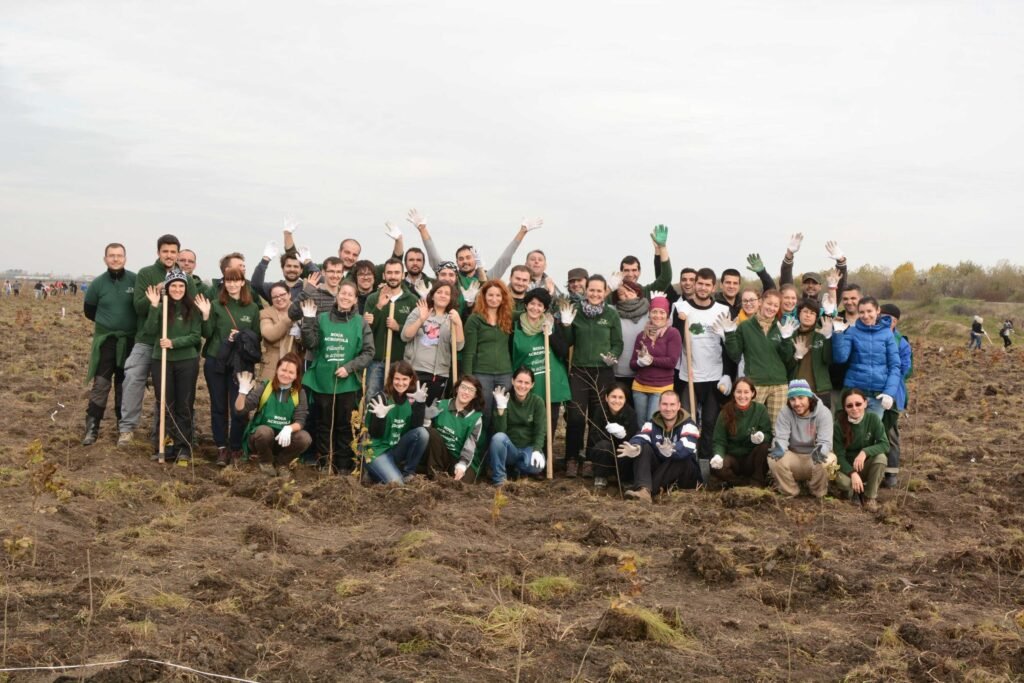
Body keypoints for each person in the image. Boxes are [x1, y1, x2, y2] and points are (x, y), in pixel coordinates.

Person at [120, 234, 195, 447]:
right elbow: (139, 307)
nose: (169, 255)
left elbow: (192, 306)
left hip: (173, 342)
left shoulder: (185, 277)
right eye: (165, 251)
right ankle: (127, 428)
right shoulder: (146, 274)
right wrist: (160, 290)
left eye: (173, 252)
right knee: (133, 377)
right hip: (148, 339)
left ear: (178, 254)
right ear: (158, 252)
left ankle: (164, 434)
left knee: (171, 390)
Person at [300, 280, 374, 473]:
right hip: (323, 381)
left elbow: (368, 352)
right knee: (324, 424)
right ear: (337, 295)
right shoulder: (322, 318)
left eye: (350, 294)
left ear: (355, 299)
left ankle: (343, 465)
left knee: (344, 425)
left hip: (347, 383)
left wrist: (349, 367)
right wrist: (307, 322)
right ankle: (325, 463)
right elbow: (311, 345)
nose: (346, 297)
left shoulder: (361, 323)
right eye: (343, 293)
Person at [196, 267, 262, 466]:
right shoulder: (216, 305)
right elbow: (207, 334)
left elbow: (256, 337)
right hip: (217, 360)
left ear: (243, 282)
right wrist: (206, 315)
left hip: (241, 364)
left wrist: (242, 337)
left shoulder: (252, 308)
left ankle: (236, 446)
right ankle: (221, 448)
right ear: (224, 282)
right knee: (218, 406)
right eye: (228, 280)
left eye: (236, 280)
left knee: (239, 407)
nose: (232, 284)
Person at [561, 275, 623, 478]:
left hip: (603, 372)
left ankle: (590, 458)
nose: (595, 294)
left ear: (605, 292)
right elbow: (568, 342)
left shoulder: (611, 315)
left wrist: (612, 356)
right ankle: (572, 458)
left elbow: (618, 343)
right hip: (579, 370)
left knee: (597, 418)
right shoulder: (576, 311)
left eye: (599, 290)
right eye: (591, 290)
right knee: (576, 416)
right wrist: (567, 326)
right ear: (585, 291)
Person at [141, 271, 202, 464]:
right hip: (162, 361)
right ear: (167, 288)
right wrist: (153, 306)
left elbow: (195, 336)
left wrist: (173, 343)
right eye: (173, 286)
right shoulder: (161, 308)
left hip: (186, 361)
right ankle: (165, 445)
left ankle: (183, 446)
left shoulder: (192, 309)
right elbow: (149, 330)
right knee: (166, 404)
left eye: (181, 286)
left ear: (186, 288)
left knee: (184, 405)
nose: (177, 289)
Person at [82, 243, 137, 446]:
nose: (115, 259)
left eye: (119, 255)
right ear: (105, 259)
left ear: (125, 258)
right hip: (106, 343)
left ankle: (123, 428)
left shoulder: (134, 280)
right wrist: (108, 323)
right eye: (111, 256)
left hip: (129, 342)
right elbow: (89, 310)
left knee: (125, 385)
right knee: (101, 384)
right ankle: (92, 428)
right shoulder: (98, 284)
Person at [672, 268, 730, 459]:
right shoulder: (682, 309)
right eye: (700, 283)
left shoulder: (722, 310)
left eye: (707, 285)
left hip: (713, 375)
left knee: (710, 421)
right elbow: (676, 339)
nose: (703, 288)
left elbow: (728, 346)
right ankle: (687, 458)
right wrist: (680, 321)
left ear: (713, 287)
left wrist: (727, 374)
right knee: (687, 423)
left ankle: (706, 460)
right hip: (689, 375)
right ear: (695, 284)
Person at [409, 208, 542, 286]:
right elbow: (434, 257)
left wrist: (522, 231)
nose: (465, 261)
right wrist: (423, 230)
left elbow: (505, 259)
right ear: (457, 262)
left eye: (468, 257)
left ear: (475, 259)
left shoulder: (486, 276)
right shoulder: (451, 277)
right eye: (461, 259)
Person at [720, 289, 796, 424]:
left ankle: (775, 446)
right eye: (769, 303)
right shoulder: (745, 327)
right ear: (760, 302)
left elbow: (787, 358)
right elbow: (735, 354)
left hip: (779, 384)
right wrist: (729, 333)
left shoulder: (782, 327)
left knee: (777, 425)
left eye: (775, 305)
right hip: (755, 383)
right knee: (750, 422)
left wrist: (786, 339)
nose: (771, 308)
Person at [235, 353, 313, 477]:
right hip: (261, 439)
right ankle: (265, 461)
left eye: (291, 372)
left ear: (296, 375)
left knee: (305, 438)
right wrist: (242, 393)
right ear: (277, 370)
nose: (286, 375)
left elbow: (301, 420)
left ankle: (282, 463)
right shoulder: (265, 387)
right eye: (283, 370)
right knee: (264, 432)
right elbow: (241, 410)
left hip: (284, 441)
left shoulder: (299, 393)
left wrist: (288, 428)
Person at [616, 391, 701, 502]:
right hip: (662, 474)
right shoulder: (651, 423)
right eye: (665, 404)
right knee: (644, 448)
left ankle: (649, 490)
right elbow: (642, 436)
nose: (668, 408)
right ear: (659, 405)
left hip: (684, 476)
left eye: (672, 404)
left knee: (682, 459)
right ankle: (644, 490)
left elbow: (687, 445)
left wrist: (672, 450)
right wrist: (635, 447)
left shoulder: (689, 424)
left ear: (679, 405)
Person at [510, 288, 570, 431]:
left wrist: (550, 334)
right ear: (526, 305)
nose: (535, 308)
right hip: (527, 384)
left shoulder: (551, 324)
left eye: (540, 305)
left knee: (550, 423)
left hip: (551, 383)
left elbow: (563, 351)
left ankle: (544, 453)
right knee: (529, 423)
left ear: (544, 308)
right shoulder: (516, 327)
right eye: (532, 303)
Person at [831, 296, 901, 419]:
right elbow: (840, 358)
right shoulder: (852, 332)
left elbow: (894, 365)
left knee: (871, 433)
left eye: (869, 311)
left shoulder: (887, 334)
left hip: (877, 396)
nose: (865, 315)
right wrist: (838, 334)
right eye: (862, 312)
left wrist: (889, 392)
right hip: (854, 393)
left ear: (877, 310)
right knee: (849, 432)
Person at [363, 361, 430, 484]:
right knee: (397, 485)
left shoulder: (411, 399)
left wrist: (420, 404)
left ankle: (408, 473)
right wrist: (380, 417)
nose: (400, 383)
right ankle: (373, 472)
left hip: (394, 448)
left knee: (422, 433)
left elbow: (415, 428)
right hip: (377, 451)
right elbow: (375, 434)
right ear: (391, 379)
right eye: (397, 379)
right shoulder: (381, 399)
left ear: (411, 379)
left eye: (404, 379)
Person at [767, 379, 835, 498]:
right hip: (794, 456)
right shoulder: (785, 412)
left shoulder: (823, 413)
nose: (797, 403)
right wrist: (779, 447)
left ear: (809, 398)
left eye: (801, 398)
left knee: (828, 461)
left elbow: (825, 441)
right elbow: (781, 437)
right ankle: (790, 491)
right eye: (792, 399)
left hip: (814, 457)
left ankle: (817, 492)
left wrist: (820, 451)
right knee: (773, 458)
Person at [363, 258, 418, 400]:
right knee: (372, 397)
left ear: (403, 275)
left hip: (400, 362)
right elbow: (366, 329)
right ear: (384, 275)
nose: (393, 276)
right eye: (389, 273)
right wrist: (379, 307)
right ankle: (370, 422)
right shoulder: (373, 299)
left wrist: (398, 327)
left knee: (396, 399)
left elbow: (415, 331)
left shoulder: (412, 300)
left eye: (396, 272)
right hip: (376, 361)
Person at [401, 282, 465, 404]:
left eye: (447, 293)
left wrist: (458, 323)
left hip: (439, 374)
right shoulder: (420, 311)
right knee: (412, 409)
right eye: (439, 292)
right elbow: (405, 336)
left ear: (451, 298)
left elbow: (458, 346)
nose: (443, 295)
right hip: (415, 370)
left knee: (431, 411)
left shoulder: (452, 318)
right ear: (432, 295)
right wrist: (421, 319)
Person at [462, 279, 515, 418]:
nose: (494, 299)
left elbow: (528, 314)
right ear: (483, 296)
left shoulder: (508, 317)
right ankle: (481, 439)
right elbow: (469, 352)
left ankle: (497, 439)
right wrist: (468, 378)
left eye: (498, 295)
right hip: (482, 373)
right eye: (490, 295)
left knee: (501, 412)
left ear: (503, 297)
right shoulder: (475, 319)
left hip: (505, 374)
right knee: (483, 412)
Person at [833, 388, 890, 512]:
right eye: (849, 405)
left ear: (865, 403)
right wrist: (852, 473)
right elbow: (839, 456)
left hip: (864, 465)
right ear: (844, 407)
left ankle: (870, 497)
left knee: (881, 458)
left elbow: (885, 444)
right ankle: (850, 493)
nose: (854, 408)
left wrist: (865, 452)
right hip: (847, 469)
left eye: (858, 404)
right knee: (844, 483)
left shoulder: (873, 419)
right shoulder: (838, 425)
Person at [487, 368, 547, 486]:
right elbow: (500, 431)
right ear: (513, 381)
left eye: (527, 383)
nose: (522, 386)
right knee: (498, 438)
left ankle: (515, 470)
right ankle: (499, 479)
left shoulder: (537, 402)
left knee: (537, 466)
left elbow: (540, 430)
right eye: (519, 381)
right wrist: (501, 409)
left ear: (532, 385)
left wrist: (537, 449)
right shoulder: (504, 399)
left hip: (527, 448)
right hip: (510, 449)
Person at [709, 378, 773, 487]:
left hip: (751, 458)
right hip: (733, 459)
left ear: (752, 393)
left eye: (746, 392)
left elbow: (768, 434)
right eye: (738, 392)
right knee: (717, 467)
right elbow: (719, 440)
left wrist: (762, 437)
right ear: (733, 393)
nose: (742, 396)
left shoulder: (760, 409)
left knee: (765, 447)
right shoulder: (725, 411)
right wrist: (718, 455)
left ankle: (757, 481)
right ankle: (740, 484)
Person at [424, 374, 485, 482]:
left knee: (462, 485)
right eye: (463, 387)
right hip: (439, 454)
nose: (466, 392)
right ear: (457, 389)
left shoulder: (475, 418)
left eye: (471, 390)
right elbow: (426, 435)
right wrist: (426, 420)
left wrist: (462, 465)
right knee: (433, 433)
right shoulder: (440, 405)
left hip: (460, 458)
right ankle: (435, 475)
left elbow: (471, 444)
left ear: (475, 395)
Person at [631, 294, 683, 421]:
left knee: (652, 423)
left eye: (662, 312)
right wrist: (640, 362)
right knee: (640, 424)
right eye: (654, 312)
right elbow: (632, 364)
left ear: (667, 314)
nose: (658, 315)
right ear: (649, 313)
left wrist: (651, 360)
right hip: (639, 387)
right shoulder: (641, 335)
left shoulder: (673, 333)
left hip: (661, 388)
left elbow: (671, 362)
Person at [879, 303, 912, 489]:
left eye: (889, 318)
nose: (884, 321)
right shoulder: (873, 334)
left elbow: (906, 369)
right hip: (873, 391)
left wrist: (889, 381)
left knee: (890, 432)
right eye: (881, 316)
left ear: (895, 321)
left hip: (892, 394)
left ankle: (891, 473)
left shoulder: (901, 342)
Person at [586, 384, 640, 490]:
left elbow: (634, 438)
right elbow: (593, 435)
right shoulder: (600, 411)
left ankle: (625, 479)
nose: (616, 401)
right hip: (605, 453)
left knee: (627, 449)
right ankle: (601, 476)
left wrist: (623, 436)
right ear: (606, 397)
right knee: (603, 446)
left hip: (622, 456)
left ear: (625, 399)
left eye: (620, 397)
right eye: (613, 397)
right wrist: (608, 434)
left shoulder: (631, 413)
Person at [790, 298, 833, 408]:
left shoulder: (821, 333)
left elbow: (828, 359)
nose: (808, 315)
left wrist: (828, 338)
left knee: (821, 424)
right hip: (797, 391)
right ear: (799, 314)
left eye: (812, 313)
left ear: (816, 317)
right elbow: (786, 365)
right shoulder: (791, 334)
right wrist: (797, 356)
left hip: (820, 390)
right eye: (805, 312)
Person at [610, 280, 649, 401]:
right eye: (621, 293)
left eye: (630, 291)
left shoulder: (650, 313)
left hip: (641, 372)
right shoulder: (611, 311)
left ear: (637, 292)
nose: (626, 295)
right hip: (617, 371)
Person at [259, 282, 302, 381]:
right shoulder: (265, 313)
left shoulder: (301, 311)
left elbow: (307, 341)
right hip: (271, 367)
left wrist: (300, 336)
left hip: (294, 365)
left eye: (282, 295)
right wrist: (289, 317)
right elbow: (270, 335)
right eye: (275, 297)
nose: (279, 299)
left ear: (289, 294)